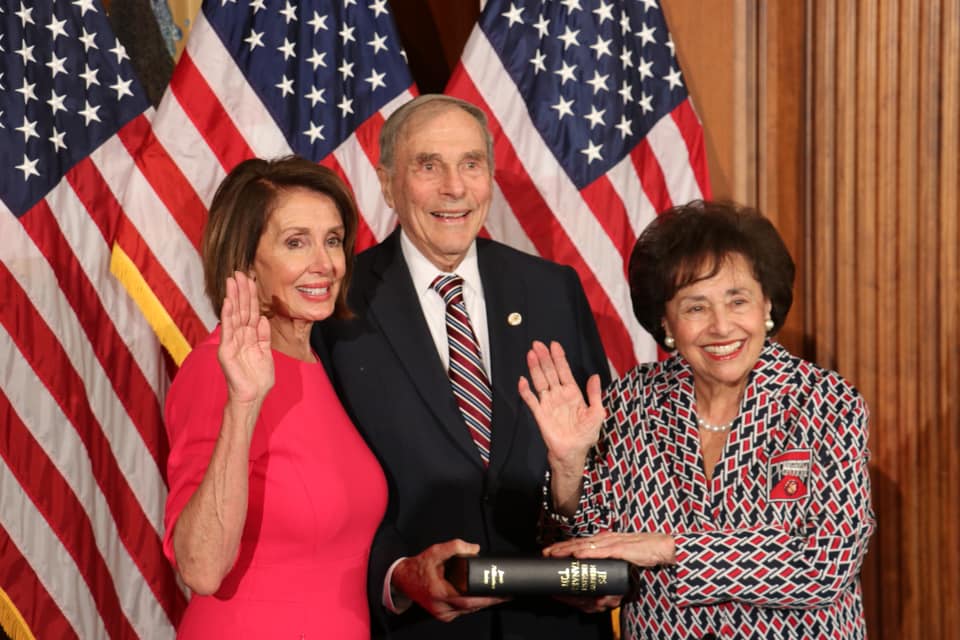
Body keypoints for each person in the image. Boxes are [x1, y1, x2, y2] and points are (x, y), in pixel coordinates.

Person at [316, 94, 614, 639]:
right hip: (417, 628)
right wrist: (398, 575)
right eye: (429, 166)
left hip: (554, 625)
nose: (455, 188)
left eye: (471, 164)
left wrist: (602, 550)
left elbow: (608, 460)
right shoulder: (336, 306)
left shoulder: (553, 290)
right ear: (386, 184)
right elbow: (319, 485)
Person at [520, 200, 875, 639]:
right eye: (695, 308)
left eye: (737, 300)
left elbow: (825, 564)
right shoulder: (634, 401)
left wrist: (670, 548)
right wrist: (569, 465)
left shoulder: (826, 403)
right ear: (666, 322)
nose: (722, 326)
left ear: (767, 305)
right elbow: (593, 557)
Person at [162, 156, 386, 637]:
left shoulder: (323, 362)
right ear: (244, 263)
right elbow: (200, 567)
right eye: (295, 242)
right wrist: (242, 405)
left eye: (332, 240)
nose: (325, 264)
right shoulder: (217, 370)